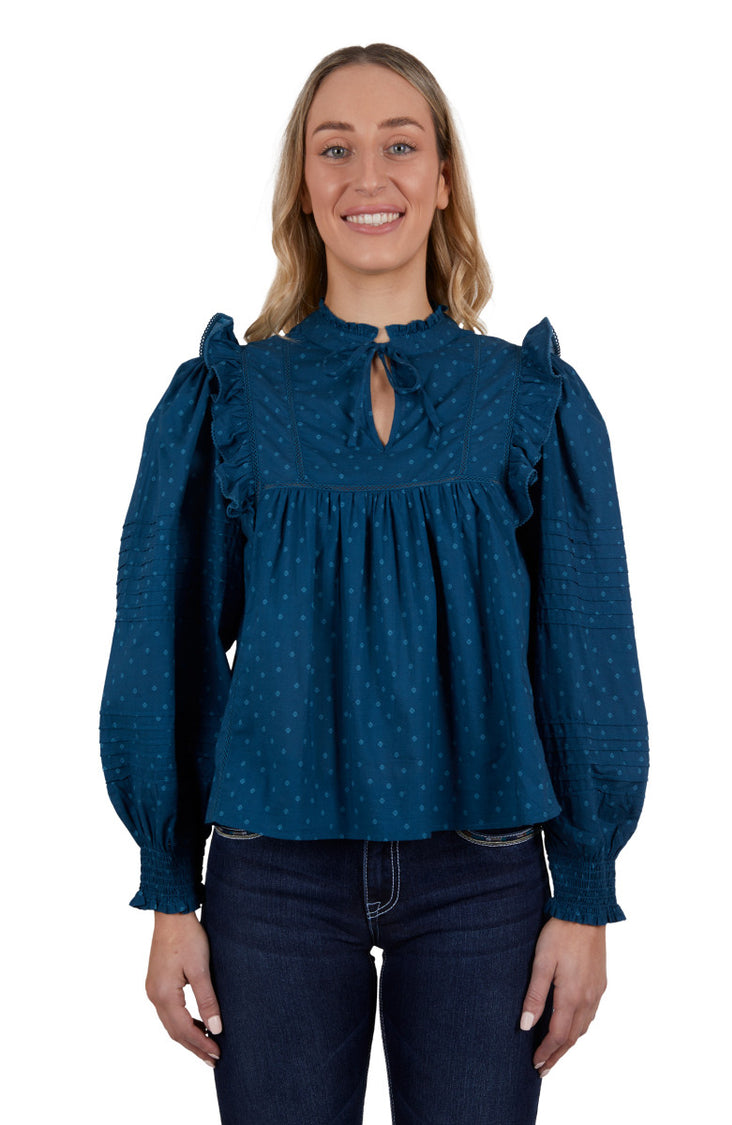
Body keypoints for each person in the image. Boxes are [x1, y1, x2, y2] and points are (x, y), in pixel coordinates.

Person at [100, 42, 649, 1125]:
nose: (368, 176)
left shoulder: (528, 398)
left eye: (401, 146)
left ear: (443, 180)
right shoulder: (230, 398)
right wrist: (168, 884)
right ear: (302, 185)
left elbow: (585, 653)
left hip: (485, 871)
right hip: (272, 875)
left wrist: (587, 889)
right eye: (334, 148)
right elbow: (163, 644)